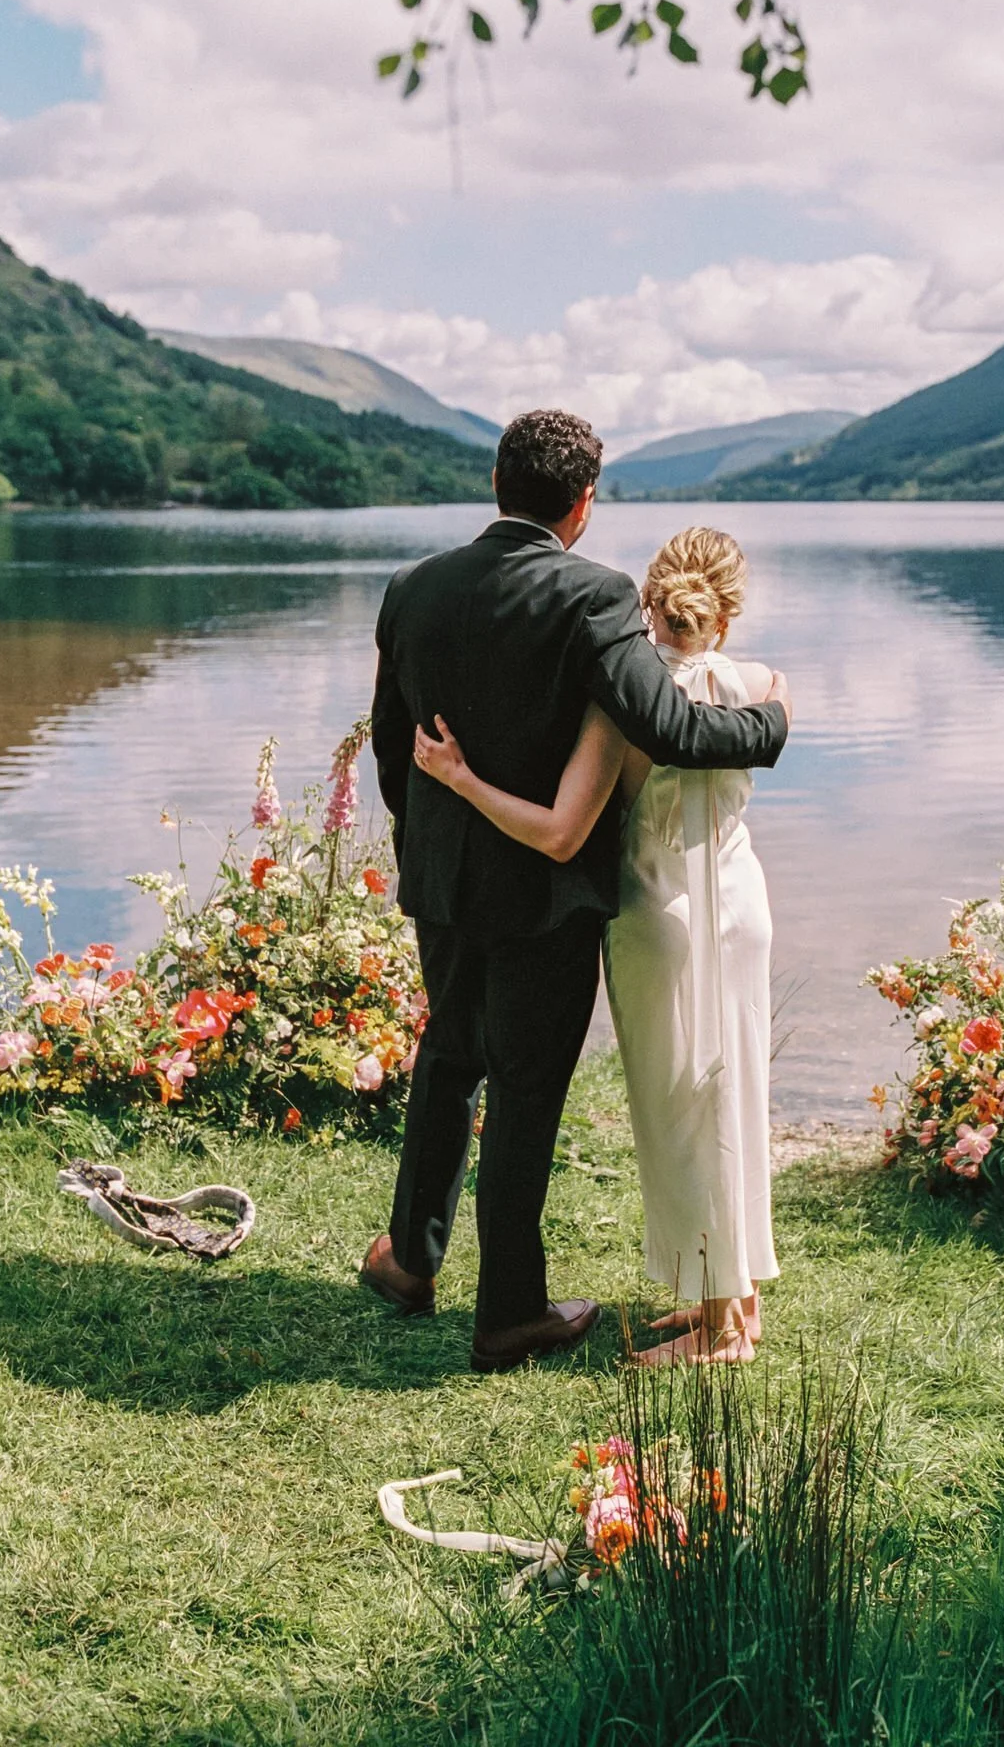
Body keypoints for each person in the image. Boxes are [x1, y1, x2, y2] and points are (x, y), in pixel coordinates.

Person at [364, 411, 790, 1374]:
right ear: (584, 504)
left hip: (443, 883)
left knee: (447, 1054)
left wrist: (433, 847)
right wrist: (768, 726)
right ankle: (509, 1311)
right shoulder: (592, 597)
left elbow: (393, 746)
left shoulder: (411, 588)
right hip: (544, 896)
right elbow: (672, 725)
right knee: (522, 1088)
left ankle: (408, 1260)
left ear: (494, 481)